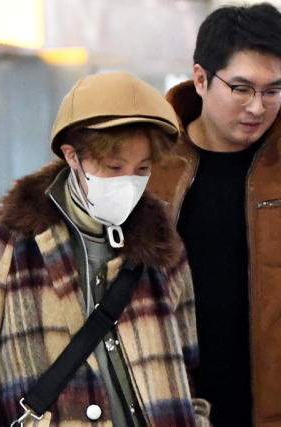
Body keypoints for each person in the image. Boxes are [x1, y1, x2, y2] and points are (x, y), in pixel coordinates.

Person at [0, 72, 211, 426]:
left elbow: (185, 372)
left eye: (142, 169)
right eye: (113, 167)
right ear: (72, 156)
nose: (128, 182)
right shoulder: (4, 238)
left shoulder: (161, 244)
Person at [148, 4, 281, 426]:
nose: (257, 107)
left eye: (273, 90)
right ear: (201, 79)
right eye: (241, 88)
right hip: (171, 405)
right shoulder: (149, 168)